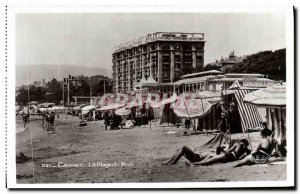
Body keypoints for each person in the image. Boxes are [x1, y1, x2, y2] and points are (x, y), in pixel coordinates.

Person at [161, 141, 232, 165]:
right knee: (178, 150)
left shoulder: (214, 155)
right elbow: (223, 146)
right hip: (196, 156)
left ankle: (174, 161)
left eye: (218, 149)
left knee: (183, 147)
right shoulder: (214, 152)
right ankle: (169, 161)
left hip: (196, 158)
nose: (217, 148)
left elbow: (206, 160)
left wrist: (225, 148)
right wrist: (225, 146)